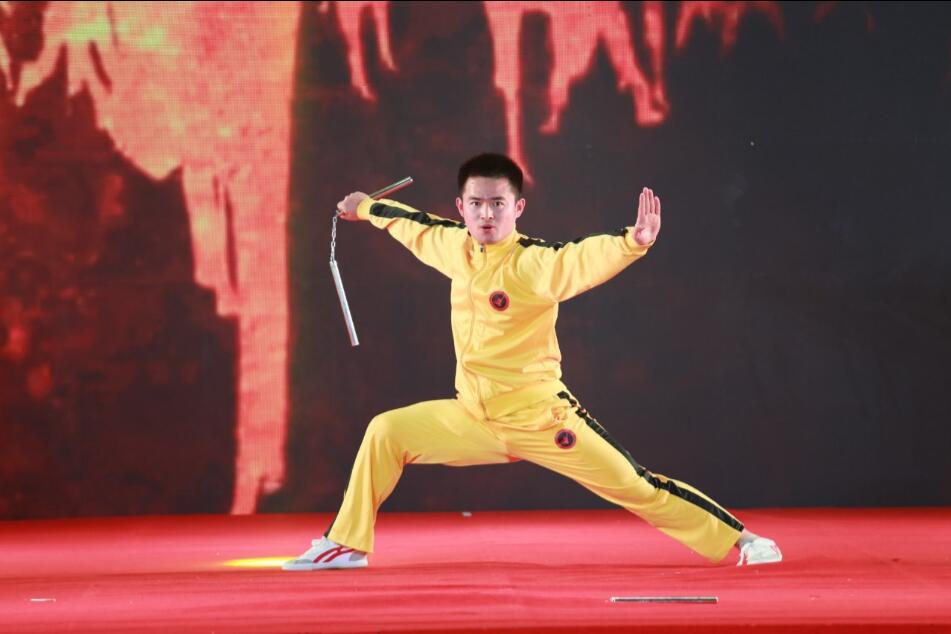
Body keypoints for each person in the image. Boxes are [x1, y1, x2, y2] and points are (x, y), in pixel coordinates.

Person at [283, 153, 781, 571]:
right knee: (386, 431)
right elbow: (412, 223)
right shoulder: (454, 246)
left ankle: (744, 539)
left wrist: (634, 242)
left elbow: (580, 258)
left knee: (636, 485)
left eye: (498, 204)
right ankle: (346, 543)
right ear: (461, 207)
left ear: (517, 208)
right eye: (476, 204)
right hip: (473, 417)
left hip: (540, 417)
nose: (486, 214)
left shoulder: (533, 263)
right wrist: (365, 207)